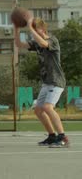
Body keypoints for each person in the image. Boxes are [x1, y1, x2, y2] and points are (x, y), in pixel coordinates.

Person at [14, 17, 69, 148]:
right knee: (38, 110)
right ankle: (51, 136)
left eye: (36, 28)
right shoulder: (37, 43)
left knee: (47, 107)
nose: (32, 31)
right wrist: (16, 29)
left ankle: (63, 137)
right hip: (47, 82)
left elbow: (44, 44)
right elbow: (19, 44)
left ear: (43, 29)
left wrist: (31, 28)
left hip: (56, 81)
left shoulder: (52, 40)